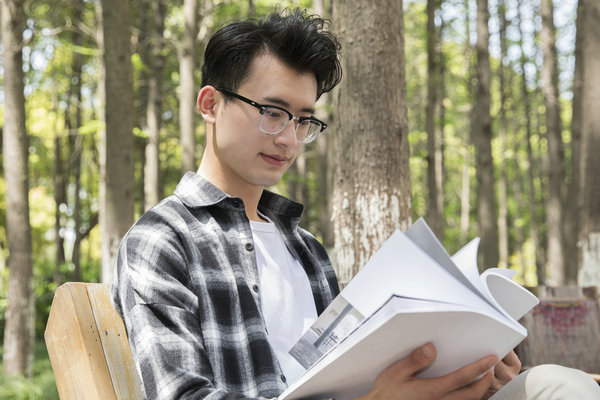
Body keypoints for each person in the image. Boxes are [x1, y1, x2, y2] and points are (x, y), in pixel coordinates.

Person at [111, 8, 600, 400]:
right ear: (211, 104)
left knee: (557, 385)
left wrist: (468, 372)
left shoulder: (306, 250)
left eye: (304, 120)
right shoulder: (163, 241)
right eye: (273, 113)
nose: (288, 139)